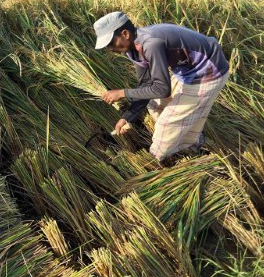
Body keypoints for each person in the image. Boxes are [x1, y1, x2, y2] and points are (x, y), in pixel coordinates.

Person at [94, 11, 230, 163]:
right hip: (187, 71)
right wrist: (127, 117)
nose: (110, 49)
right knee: (155, 105)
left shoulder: (150, 44)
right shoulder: (133, 49)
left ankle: (155, 161)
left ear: (125, 34)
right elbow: (146, 85)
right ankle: (188, 141)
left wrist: (122, 93)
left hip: (208, 71)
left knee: (166, 124)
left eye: (111, 43)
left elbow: (161, 89)